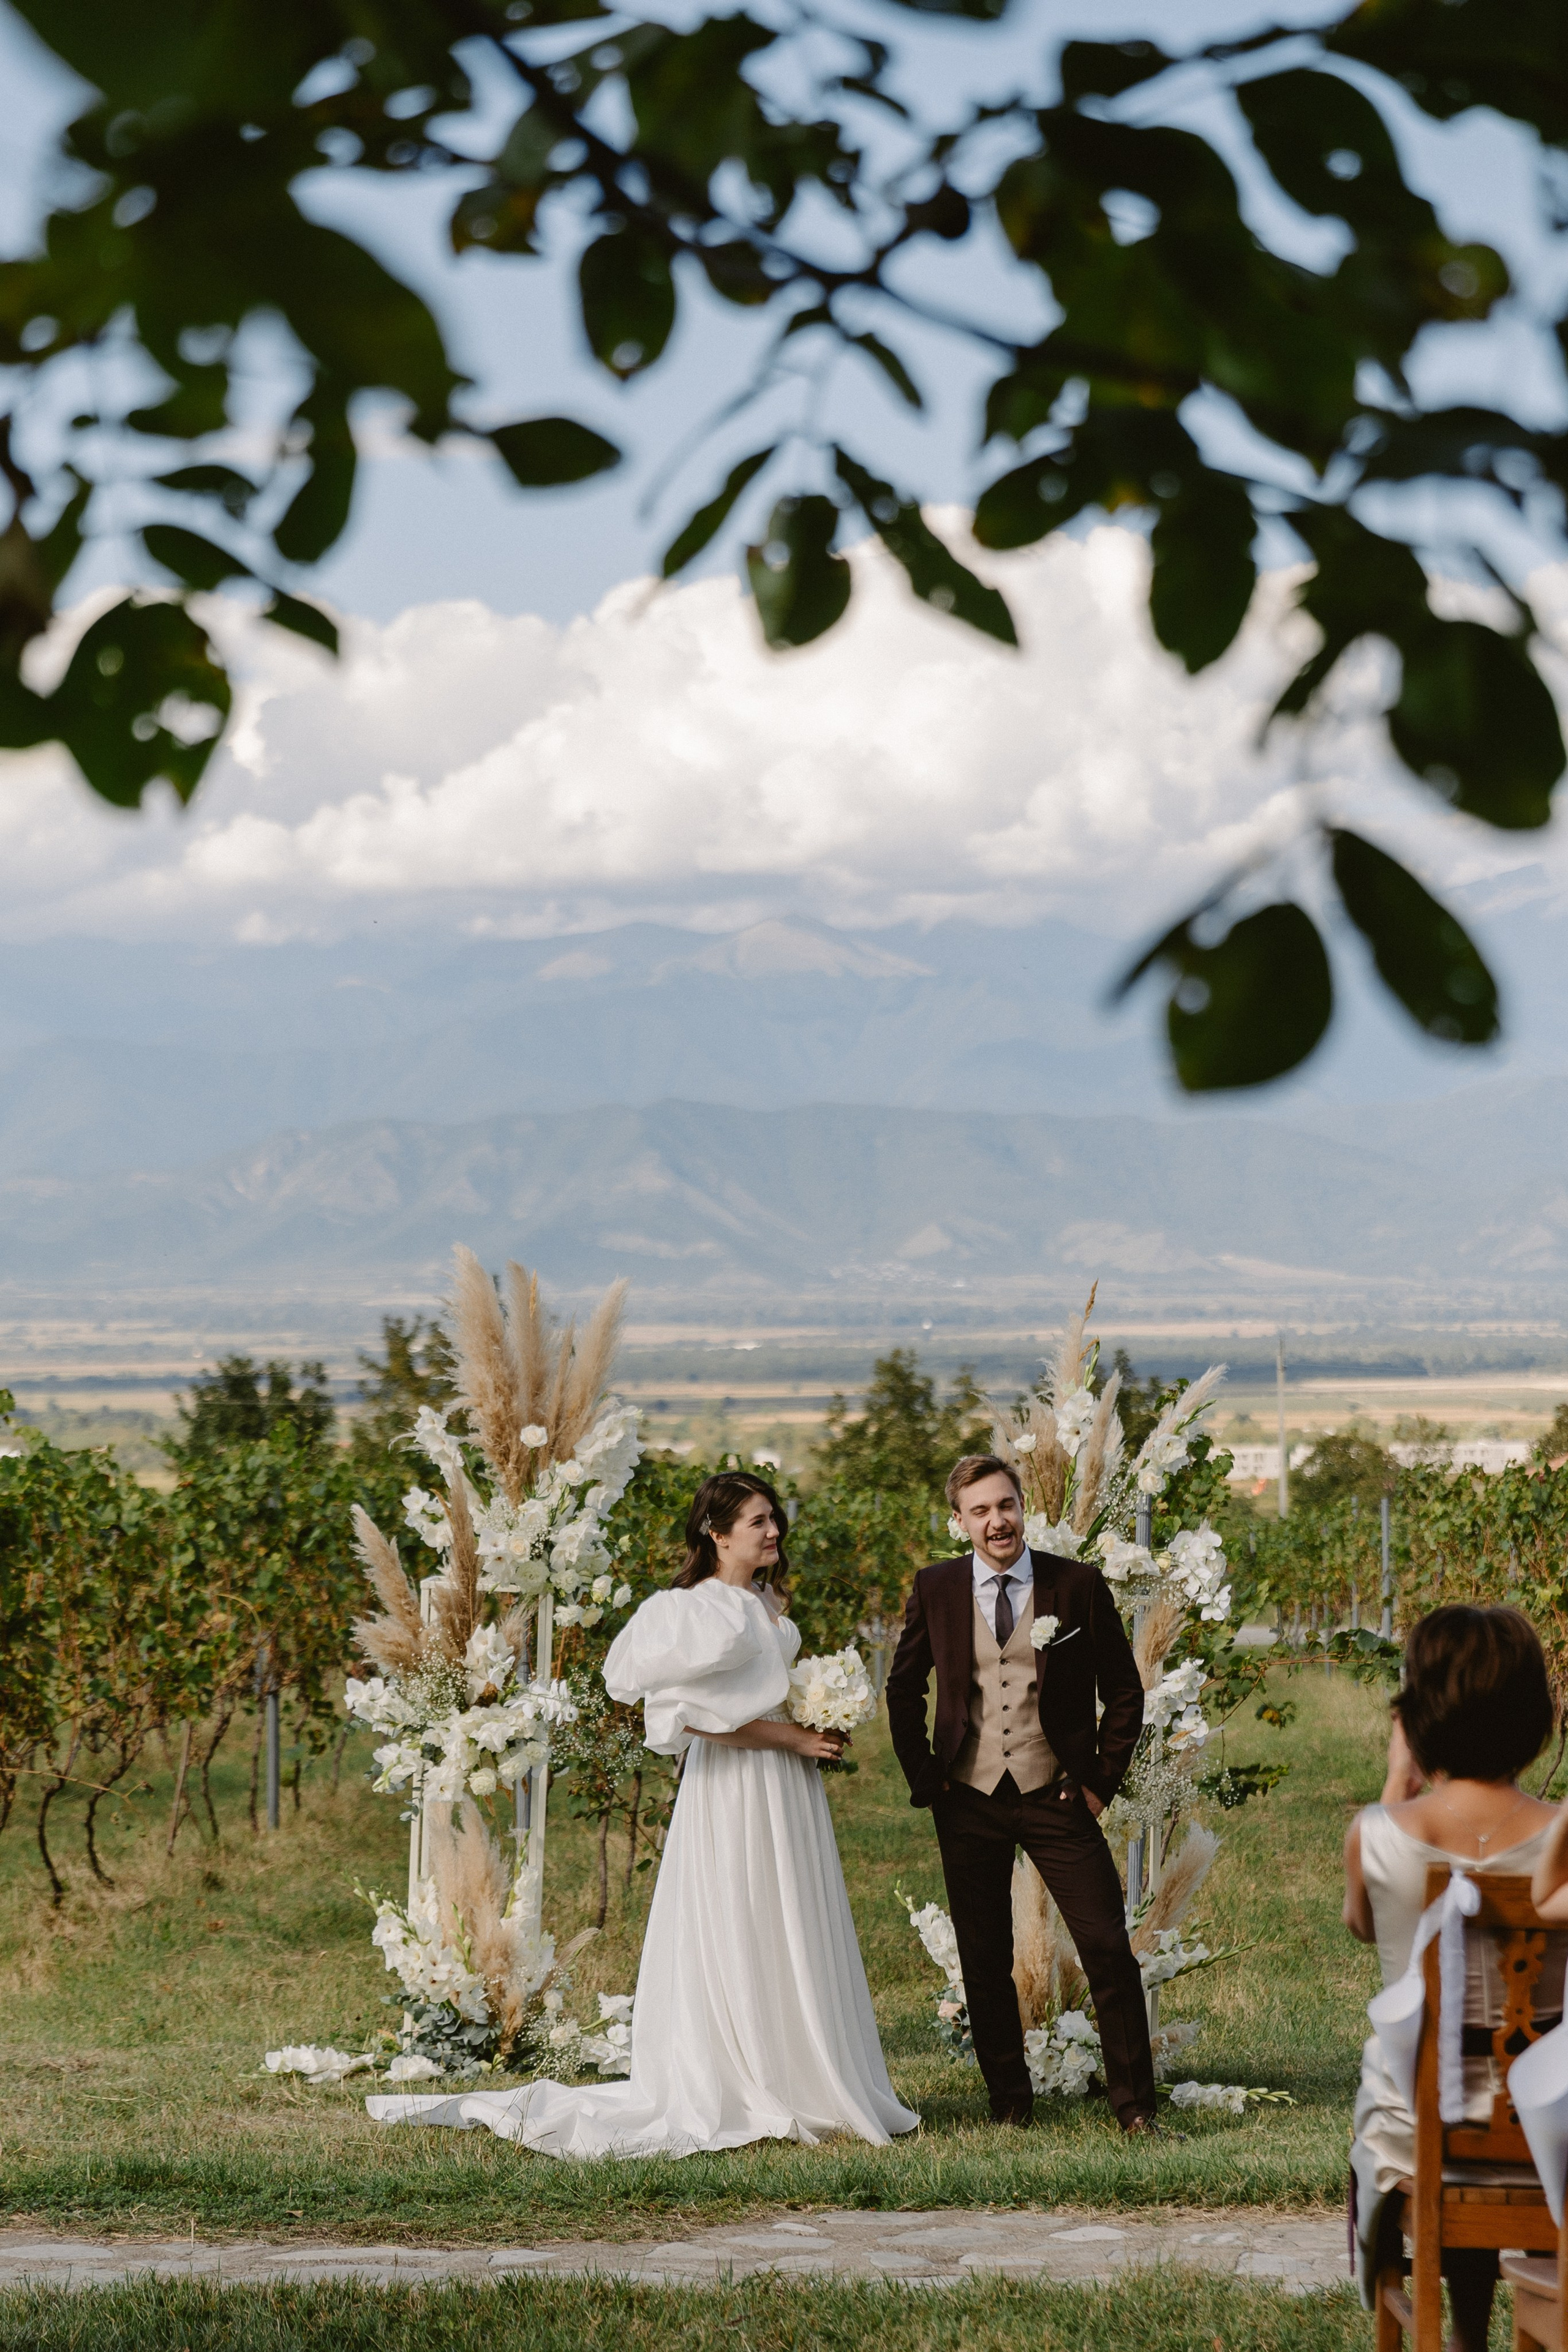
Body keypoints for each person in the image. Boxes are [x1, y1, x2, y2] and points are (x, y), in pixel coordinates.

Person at [369, 1469, 918, 2158]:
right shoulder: (696, 1610)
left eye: (773, 1517)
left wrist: (815, 1717)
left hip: (784, 1785)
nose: (773, 1530)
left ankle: (800, 2069)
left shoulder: (764, 1600)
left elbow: (754, 1693)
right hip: (737, 1783)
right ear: (715, 1535)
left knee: (785, 1913)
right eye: (756, 1522)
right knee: (740, 1910)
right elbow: (687, 1715)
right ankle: (742, 2072)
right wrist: (791, 1735)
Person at [884, 1452, 1156, 2131]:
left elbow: (1124, 1692)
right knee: (983, 1958)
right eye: (980, 1511)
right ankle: (1009, 2105)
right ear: (959, 1522)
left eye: (1004, 1505)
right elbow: (902, 1687)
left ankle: (1134, 2110)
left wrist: (1097, 1784)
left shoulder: (1076, 1585)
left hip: (1055, 1794)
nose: (996, 1521)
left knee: (1106, 1948)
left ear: (1021, 1508)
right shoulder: (936, 1588)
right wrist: (928, 1778)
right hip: (967, 1795)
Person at [1345, 1603, 1563, 2346]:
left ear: (1418, 1713)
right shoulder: (1563, 1842)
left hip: (1420, 2129)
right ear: (1535, 1714)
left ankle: (1463, 2331)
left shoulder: (1376, 1836)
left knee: (1404, 2101)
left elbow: (1366, 1925)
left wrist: (1396, 1780)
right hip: (1547, 2133)